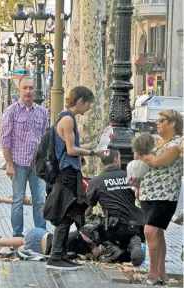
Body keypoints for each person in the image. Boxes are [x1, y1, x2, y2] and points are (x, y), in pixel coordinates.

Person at [43, 86, 107, 271]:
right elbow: (71, 150)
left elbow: (69, 146)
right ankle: (56, 256)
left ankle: (61, 254)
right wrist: (94, 152)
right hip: (67, 173)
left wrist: (94, 144)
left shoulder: (64, 116)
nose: (88, 108)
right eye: (88, 104)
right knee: (66, 214)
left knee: (69, 213)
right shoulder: (68, 120)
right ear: (80, 101)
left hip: (67, 172)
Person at [131, 110, 182, 285]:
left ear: (173, 123)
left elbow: (158, 162)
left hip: (165, 195)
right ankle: (161, 273)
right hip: (147, 193)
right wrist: (136, 180)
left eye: (161, 120)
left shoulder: (177, 144)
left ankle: (152, 274)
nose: (157, 123)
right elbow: (146, 167)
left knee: (150, 231)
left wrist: (141, 155)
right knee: (157, 233)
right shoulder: (156, 143)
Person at [0, 76, 49, 235]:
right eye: (25, 88)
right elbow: (5, 140)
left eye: (31, 88)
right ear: (19, 90)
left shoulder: (42, 112)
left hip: (37, 165)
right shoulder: (11, 112)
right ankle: (17, 235)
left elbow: (45, 139)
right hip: (18, 164)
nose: (28, 91)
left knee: (40, 201)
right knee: (18, 200)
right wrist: (9, 164)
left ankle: (40, 235)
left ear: (35, 90)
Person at [86, 149, 146, 267]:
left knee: (91, 223)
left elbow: (87, 210)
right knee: (131, 232)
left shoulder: (96, 181)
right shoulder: (129, 177)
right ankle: (134, 243)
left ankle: (111, 247)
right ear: (115, 159)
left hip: (113, 228)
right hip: (135, 224)